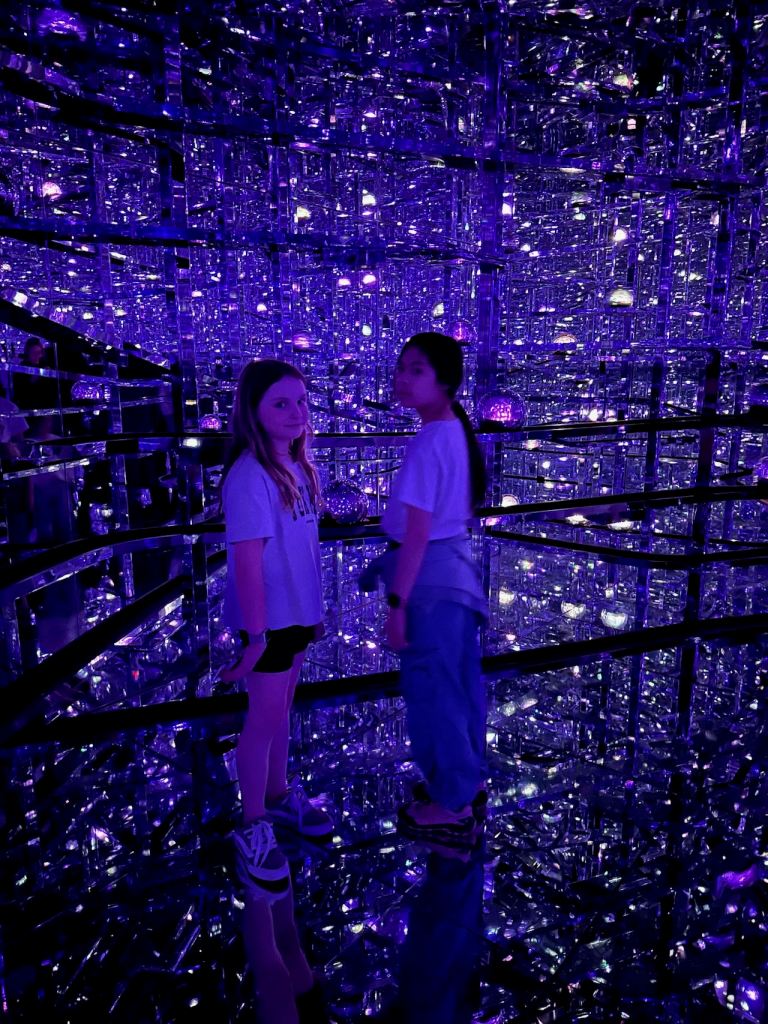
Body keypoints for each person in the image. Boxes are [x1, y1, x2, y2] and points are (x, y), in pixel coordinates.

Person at [359, 332, 489, 844]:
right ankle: (465, 784)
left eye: (416, 370)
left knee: (434, 694)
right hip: (455, 575)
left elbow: (416, 535)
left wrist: (396, 604)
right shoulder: (453, 430)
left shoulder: (429, 440)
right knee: (458, 687)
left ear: (446, 382)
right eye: (401, 368)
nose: (403, 378)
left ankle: (452, 805)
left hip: (429, 583)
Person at [220, 358, 333, 898]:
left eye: (301, 401)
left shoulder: (296, 466)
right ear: (254, 411)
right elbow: (246, 564)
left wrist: (314, 614)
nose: (296, 412)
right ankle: (252, 822)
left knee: (280, 713)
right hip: (269, 621)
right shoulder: (250, 476)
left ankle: (277, 794)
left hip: (295, 616)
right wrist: (256, 636)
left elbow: (301, 550)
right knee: (262, 722)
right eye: (281, 403)